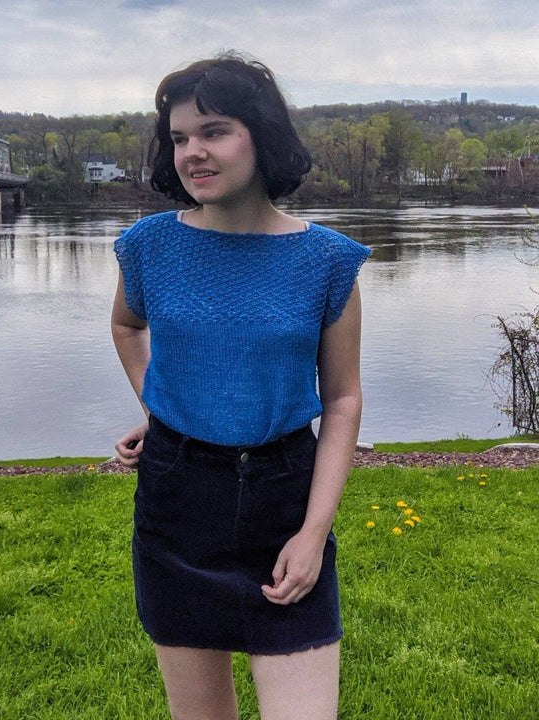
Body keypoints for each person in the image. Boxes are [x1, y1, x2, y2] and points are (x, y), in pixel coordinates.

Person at [111, 53, 370, 720]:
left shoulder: (328, 261)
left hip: (286, 504)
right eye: (178, 139)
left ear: (262, 135)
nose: (192, 153)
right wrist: (163, 407)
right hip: (177, 509)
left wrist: (314, 533)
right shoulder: (146, 247)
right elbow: (126, 327)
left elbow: (341, 400)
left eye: (214, 130)